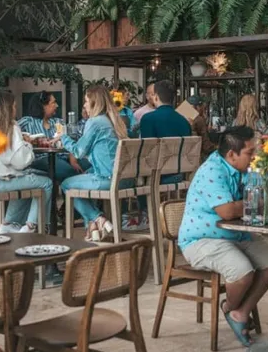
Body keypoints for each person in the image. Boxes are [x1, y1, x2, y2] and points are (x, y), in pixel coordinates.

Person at [177, 126, 268, 347]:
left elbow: (258, 199)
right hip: (202, 240)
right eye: (249, 153)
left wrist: (258, 176)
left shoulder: (243, 170)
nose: (254, 157)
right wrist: (252, 202)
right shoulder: (212, 171)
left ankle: (240, 312)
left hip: (235, 235)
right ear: (231, 155)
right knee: (242, 272)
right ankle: (230, 308)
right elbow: (227, 211)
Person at [0, 91, 53, 234]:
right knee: (46, 183)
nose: (16, 110)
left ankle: (9, 223)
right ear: (7, 109)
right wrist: (27, 144)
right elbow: (20, 162)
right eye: (14, 107)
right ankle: (31, 227)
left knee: (27, 180)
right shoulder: (10, 128)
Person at [57, 85, 127, 242]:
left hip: (108, 179)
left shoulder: (95, 122)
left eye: (86, 101)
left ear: (95, 103)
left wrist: (63, 136)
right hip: (124, 180)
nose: (84, 105)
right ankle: (93, 225)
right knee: (84, 176)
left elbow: (78, 151)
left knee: (67, 184)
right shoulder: (113, 121)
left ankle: (98, 219)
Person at [131, 80, 192, 229]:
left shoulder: (148, 118)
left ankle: (146, 215)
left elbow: (147, 151)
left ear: (156, 97)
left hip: (158, 175)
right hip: (179, 174)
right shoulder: (184, 121)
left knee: (135, 177)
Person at [18, 91, 84, 181]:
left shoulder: (59, 122)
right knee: (69, 172)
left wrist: (73, 159)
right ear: (43, 106)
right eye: (53, 102)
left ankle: (74, 191)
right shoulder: (27, 122)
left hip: (64, 157)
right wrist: (24, 138)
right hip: (40, 159)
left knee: (87, 165)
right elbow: (10, 133)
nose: (57, 105)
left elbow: (72, 140)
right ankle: (71, 192)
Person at [187, 95, 216, 159]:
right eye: (204, 108)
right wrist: (217, 148)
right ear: (198, 107)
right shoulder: (198, 119)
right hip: (197, 156)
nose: (204, 110)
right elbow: (206, 146)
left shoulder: (182, 116)